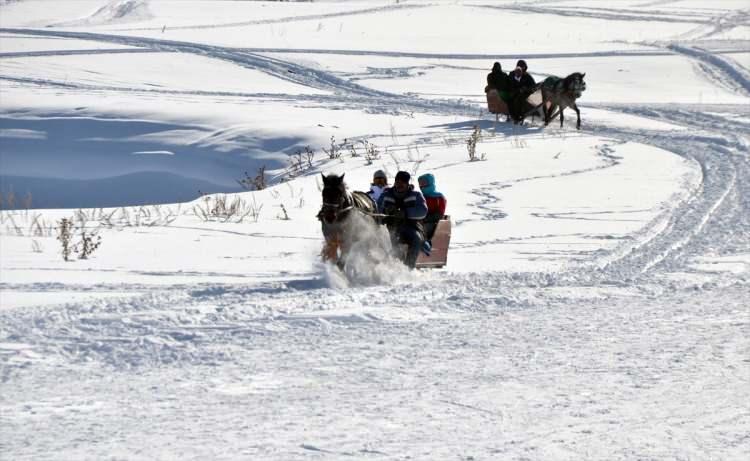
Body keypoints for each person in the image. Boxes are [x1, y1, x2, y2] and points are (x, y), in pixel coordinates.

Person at [377, 171, 427, 269]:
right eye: (397, 182)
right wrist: (385, 211)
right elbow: (377, 209)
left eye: (403, 182)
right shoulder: (386, 195)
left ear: (408, 183)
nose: (399, 185)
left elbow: (423, 211)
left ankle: (408, 267)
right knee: (391, 240)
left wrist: (406, 213)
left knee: (416, 239)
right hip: (390, 226)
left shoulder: (416, 195)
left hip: (411, 226)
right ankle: (396, 268)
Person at [417, 173, 447, 255]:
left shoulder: (439, 197)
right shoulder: (420, 197)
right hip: (420, 220)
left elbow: (439, 214)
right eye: (420, 184)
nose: (422, 186)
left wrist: (425, 219)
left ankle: (425, 246)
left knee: (424, 228)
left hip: (433, 223)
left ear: (430, 183)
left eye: (424, 183)